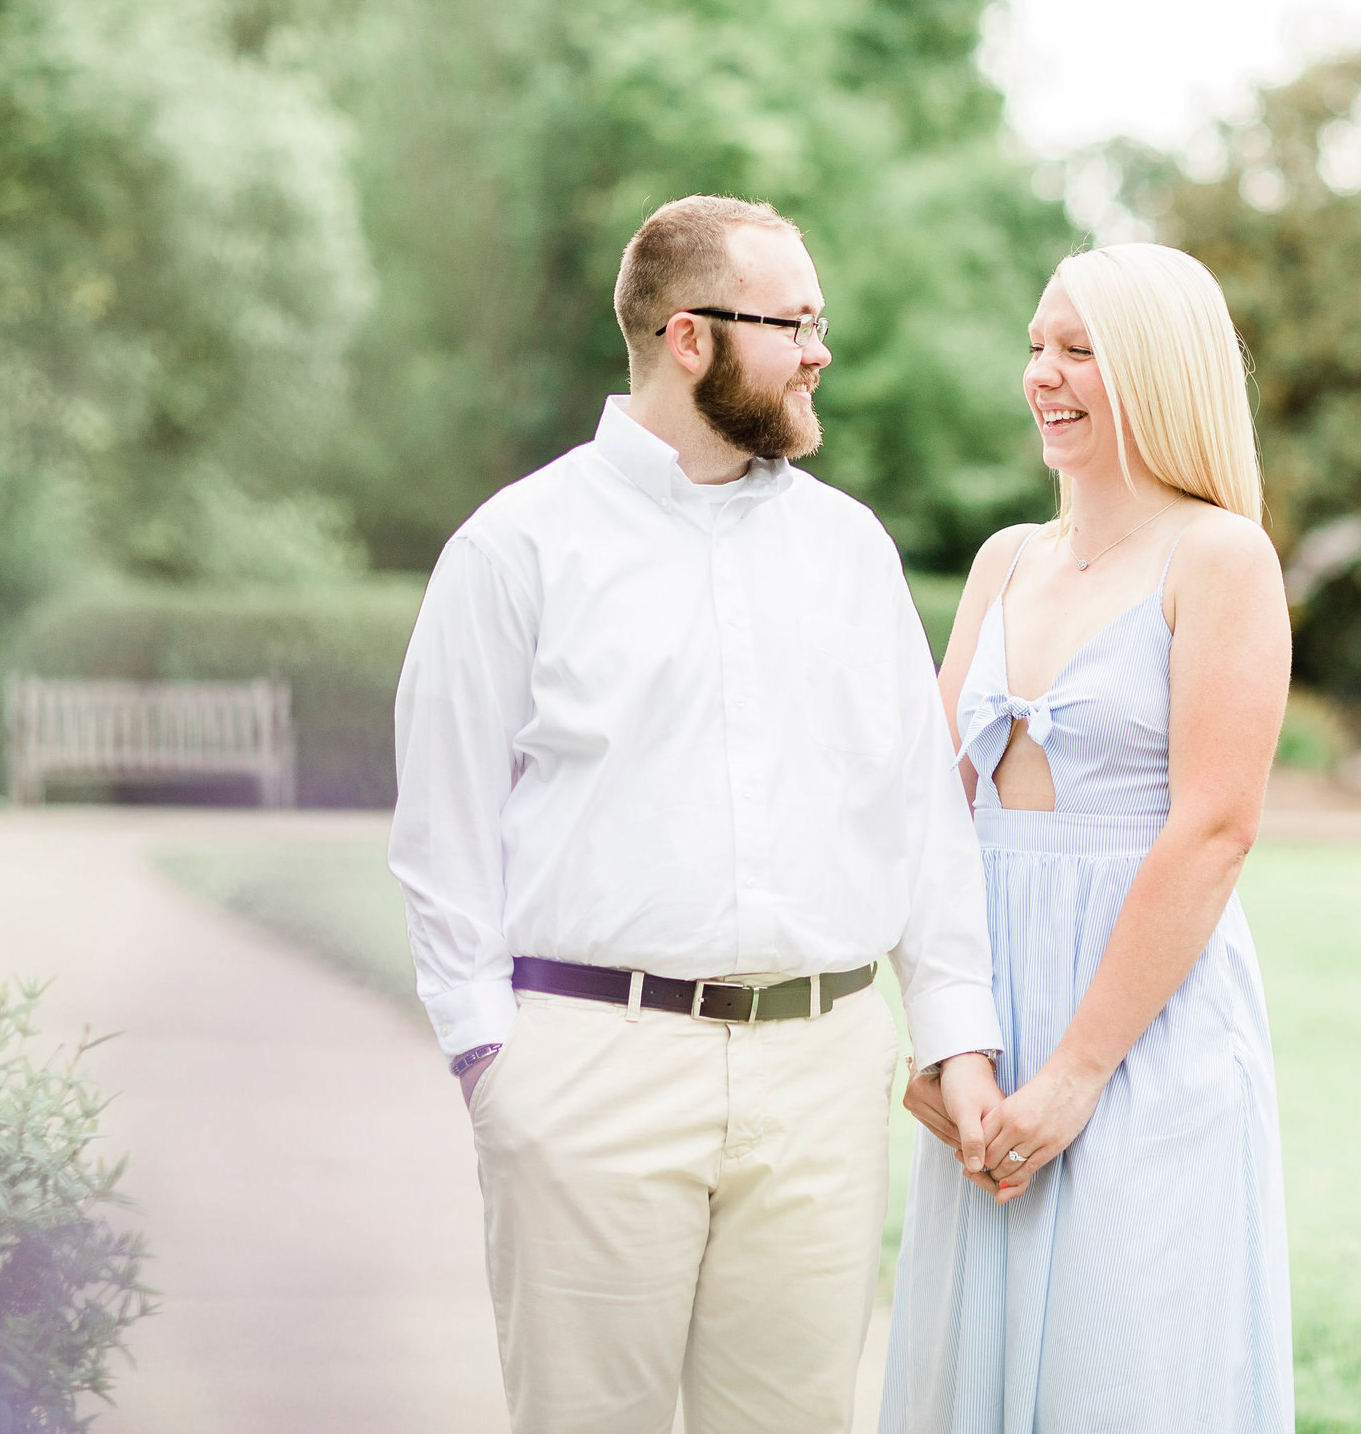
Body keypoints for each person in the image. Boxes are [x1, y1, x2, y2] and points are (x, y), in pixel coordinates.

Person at [390, 194, 1008, 1434]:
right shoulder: (516, 547)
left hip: (823, 1071)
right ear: (689, 336)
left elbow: (916, 809)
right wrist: (491, 1062)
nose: (820, 349)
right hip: (589, 1072)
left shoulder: (850, 550)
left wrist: (954, 1028)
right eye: (795, 322)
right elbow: (442, 830)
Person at [880, 244, 1295, 1434]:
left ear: (1158, 372)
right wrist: (949, 1039)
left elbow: (1215, 829)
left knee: (1128, 1369)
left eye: (1077, 350)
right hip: (991, 1032)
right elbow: (932, 813)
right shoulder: (1005, 560)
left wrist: (1074, 1072)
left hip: (1139, 1032)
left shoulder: (1218, 557)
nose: (1041, 376)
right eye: (1035, 346)